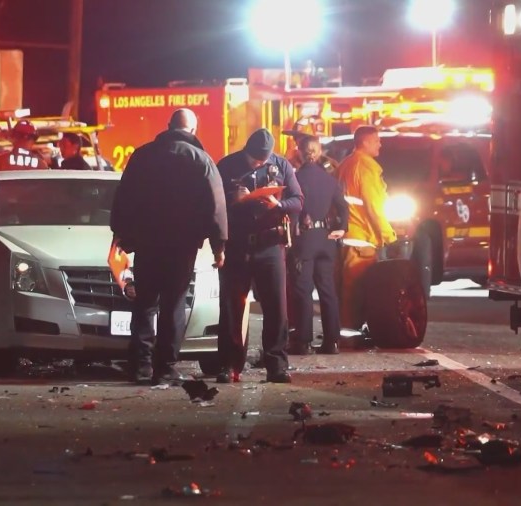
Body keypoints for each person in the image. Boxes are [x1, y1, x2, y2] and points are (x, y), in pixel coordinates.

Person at [111, 108, 227, 386]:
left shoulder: (143, 156)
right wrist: (219, 245)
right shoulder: (202, 160)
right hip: (182, 245)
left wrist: (122, 237)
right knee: (173, 305)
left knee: (145, 303)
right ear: (193, 130)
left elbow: (124, 197)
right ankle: (165, 368)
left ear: (168, 126)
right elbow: (216, 207)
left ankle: (140, 366)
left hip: (148, 244)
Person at [216, 128, 304, 384]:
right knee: (232, 308)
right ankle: (229, 365)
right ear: (246, 150)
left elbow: (298, 200)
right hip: (238, 245)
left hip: (270, 246)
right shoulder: (228, 165)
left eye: (263, 160)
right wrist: (234, 201)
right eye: (255, 160)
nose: (258, 164)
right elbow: (214, 203)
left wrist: (279, 205)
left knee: (277, 308)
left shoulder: (282, 165)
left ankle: (276, 364)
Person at [287, 136, 347, 356]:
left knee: (303, 291)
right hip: (326, 239)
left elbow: (291, 209)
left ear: (300, 153)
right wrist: (342, 228)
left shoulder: (296, 179)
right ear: (319, 152)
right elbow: (343, 208)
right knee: (327, 290)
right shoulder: (329, 179)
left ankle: (303, 341)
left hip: (304, 240)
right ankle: (332, 342)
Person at [336, 126, 397, 330]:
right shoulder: (366, 168)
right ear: (366, 142)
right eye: (377, 140)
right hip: (361, 237)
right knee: (356, 290)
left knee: (344, 288)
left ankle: (342, 332)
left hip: (345, 235)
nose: (380, 144)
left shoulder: (345, 164)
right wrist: (388, 235)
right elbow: (374, 207)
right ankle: (349, 336)